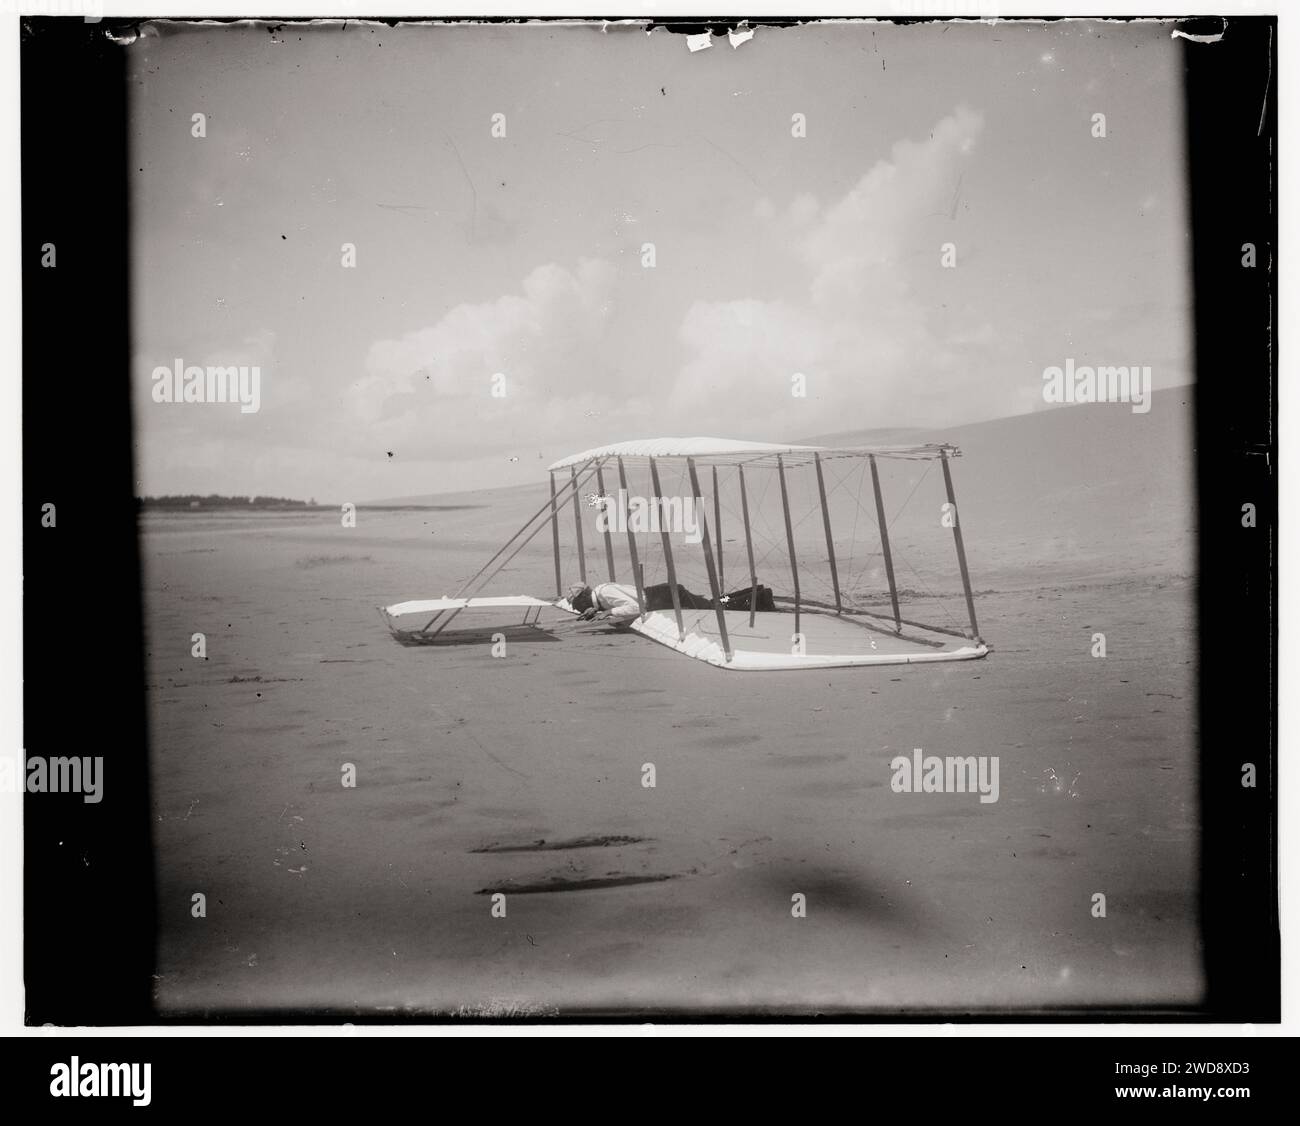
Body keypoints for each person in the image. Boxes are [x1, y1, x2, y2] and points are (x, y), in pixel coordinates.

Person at [566, 581, 642, 627]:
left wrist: (608, 612)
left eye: (577, 605)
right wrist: (597, 610)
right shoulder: (601, 597)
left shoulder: (605, 592)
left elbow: (637, 607)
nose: (579, 610)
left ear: (583, 599)